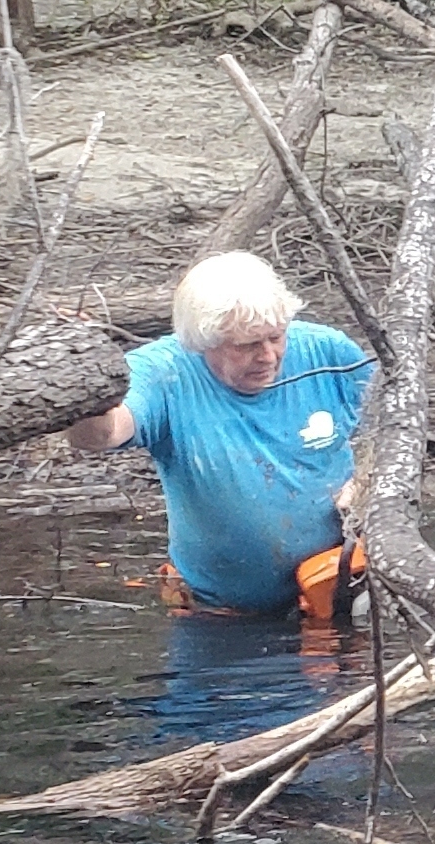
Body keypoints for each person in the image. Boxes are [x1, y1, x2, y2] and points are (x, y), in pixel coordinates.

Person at [67, 251, 369, 620]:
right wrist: (85, 387)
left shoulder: (330, 353)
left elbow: (398, 429)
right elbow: (100, 436)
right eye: (246, 345)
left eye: (276, 337)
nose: (268, 356)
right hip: (219, 616)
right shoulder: (163, 373)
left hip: (339, 593)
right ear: (202, 341)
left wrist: (368, 482)